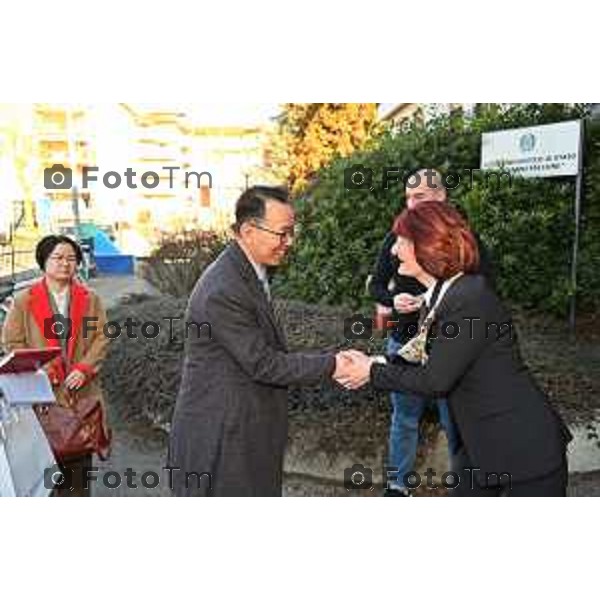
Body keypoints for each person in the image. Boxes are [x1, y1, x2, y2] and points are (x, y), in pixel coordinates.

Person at [339, 202, 571, 496]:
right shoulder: (441, 293)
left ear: (428, 245)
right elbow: (422, 354)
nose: (394, 250)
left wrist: (372, 373)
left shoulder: (469, 298)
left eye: (401, 241)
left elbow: (435, 380)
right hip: (480, 446)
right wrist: (377, 359)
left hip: (523, 453)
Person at [168, 186, 345, 497]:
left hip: (245, 429)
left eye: (292, 232)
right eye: (283, 233)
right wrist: (335, 364)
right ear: (249, 230)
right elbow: (264, 363)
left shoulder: (248, 272)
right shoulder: (223, 288)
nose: (289, 242)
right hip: (223, 439)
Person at [1, 235, 111, 496]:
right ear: (44, 261)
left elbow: (102, 336)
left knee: (80, 471)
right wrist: (41, 370)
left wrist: (85, 368)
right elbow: (12, 342)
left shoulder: (90, 298)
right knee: (45, 476)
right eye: (58, 258)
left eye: (72, 258)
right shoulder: (25, 300)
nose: (65, 264)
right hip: (42, 400)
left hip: (81, 398)